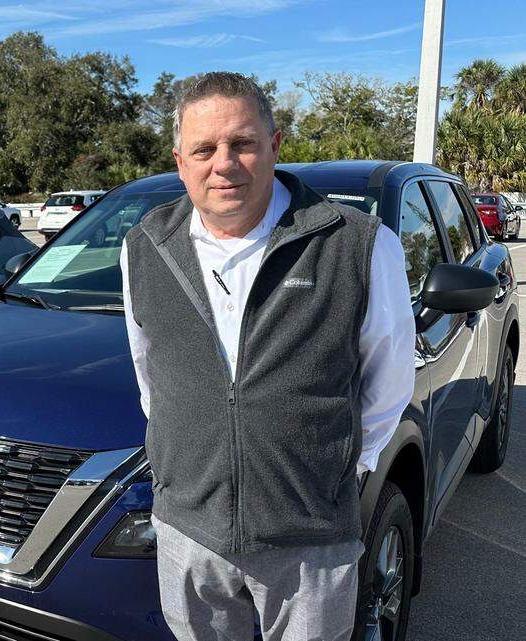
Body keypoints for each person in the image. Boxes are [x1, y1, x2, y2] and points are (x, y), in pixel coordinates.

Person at [119, 72, 414, 641]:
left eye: (242, 144)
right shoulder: (143, 249)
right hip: (188, 530)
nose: (223, 163)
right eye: (204, 149)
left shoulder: (358, 244)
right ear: (180, 160)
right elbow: (149, 376)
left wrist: (336, 470)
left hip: (309, 536)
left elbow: (389, 379)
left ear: (275, 146)